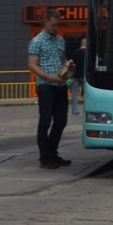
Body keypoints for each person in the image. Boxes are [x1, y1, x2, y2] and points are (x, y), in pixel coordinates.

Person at [28, 9, 72, 169]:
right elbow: (32, 64)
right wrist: (48, 77)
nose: (56, 28)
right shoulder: (37, 41)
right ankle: (45, 156)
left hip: (60, 84)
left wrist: (68, 69)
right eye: (53, 25)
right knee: (45, 120)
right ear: (46, 22)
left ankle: (52, 153)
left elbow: (63, 59)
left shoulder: (60, 40)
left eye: (57, 25)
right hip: (46, 85)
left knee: (61, 120)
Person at [70, 38, 86, 116]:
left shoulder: (75, 52)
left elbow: (71, 63)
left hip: (75, 76)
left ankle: (74, 111)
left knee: (74, 94)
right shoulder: (88, 53)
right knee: (87, 94)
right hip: (84, 76)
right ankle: (87, 110)